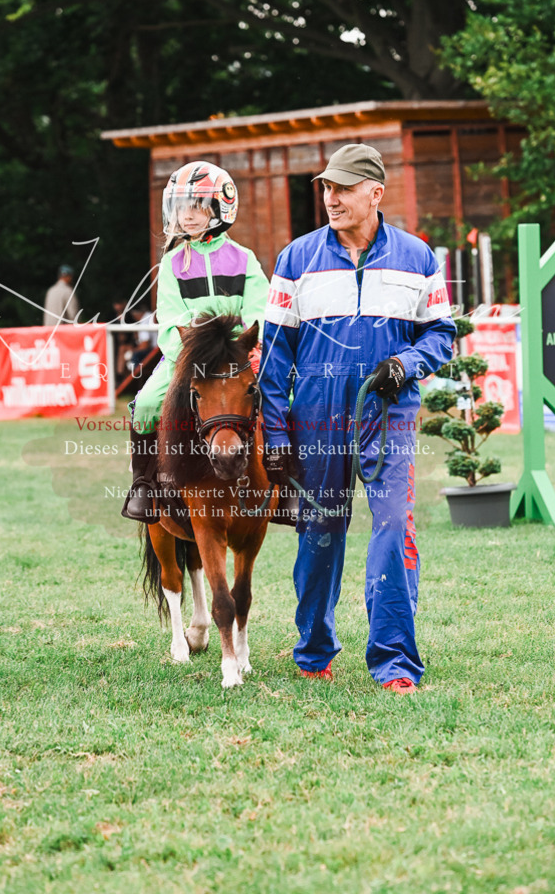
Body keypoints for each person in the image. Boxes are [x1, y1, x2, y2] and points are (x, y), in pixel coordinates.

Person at [259, 144, 456, 693]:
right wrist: (274, 432)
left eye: (344, 188)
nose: (332, 198)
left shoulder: (418, 257)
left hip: (389, 414)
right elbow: (273, 355)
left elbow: (442, 333)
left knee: (394, 527)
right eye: (327, 187)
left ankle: (394, 661)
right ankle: (314, 650)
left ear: (376, 193)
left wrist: (407, 363)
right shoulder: (295, 259)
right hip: (315, 416)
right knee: (320, 532)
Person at [122, 160, 270, 522]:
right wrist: (193, 360)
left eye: (196, 206)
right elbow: (170, 322)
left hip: (238, 358)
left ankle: (288, 480)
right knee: (145, 404)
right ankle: (143, 484)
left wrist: (242, 350)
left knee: (287, 399)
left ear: (220, 207)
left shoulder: (244, 260)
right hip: (186, 360)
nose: (186, 216)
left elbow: (259, 314)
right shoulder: (172, 264)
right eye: (180, 208)